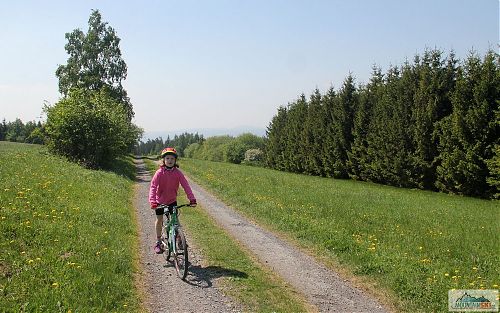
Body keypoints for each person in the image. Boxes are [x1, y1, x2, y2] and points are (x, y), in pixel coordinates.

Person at [149, 147, 197, 254]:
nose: (170, 160)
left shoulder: (178, 173)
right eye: (167, 158)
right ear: (164, 160)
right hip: (159, 202)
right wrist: (153, 201)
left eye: (172, 158)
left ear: (175, 160)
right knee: (159, 220)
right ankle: (158, 241)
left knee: (176, 222)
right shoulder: (159, 173)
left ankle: (180, 239)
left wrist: (192, 199)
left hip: (172, 200)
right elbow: (153, 187)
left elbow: (186, 185)